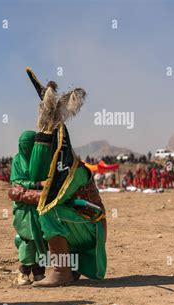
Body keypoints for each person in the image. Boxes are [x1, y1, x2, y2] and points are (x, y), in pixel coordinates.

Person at [9, 67, 107, 287]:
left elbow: (49, 197)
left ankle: (61, 271)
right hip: (77, 221)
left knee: (48, 209)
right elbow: (31, 183)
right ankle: (63, 266)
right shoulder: (37, 166)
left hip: (90, 225)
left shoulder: (74, 171)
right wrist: (25, 190)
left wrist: (21, 192)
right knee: (37, 215)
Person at [10, 131, 47, 285]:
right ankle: (23, 272)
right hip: (24, 207)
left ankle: (39, 272)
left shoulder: (40, 160)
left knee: (41, 237)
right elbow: (17, 182)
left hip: (39, 204)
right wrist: (36, 185)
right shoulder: (17, 161)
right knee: (27, 238)